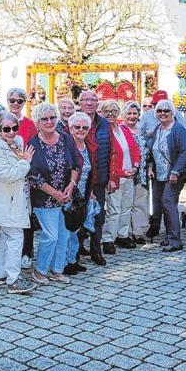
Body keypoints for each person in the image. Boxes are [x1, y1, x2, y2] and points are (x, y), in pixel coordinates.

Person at [0, 111, 37, 295]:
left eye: (14, 128)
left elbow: (16, 168)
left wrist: (21, 161)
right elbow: (8, 174)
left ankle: (0, 274)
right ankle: (13, 280)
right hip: (3, 200)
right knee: (15, 236)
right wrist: (25, 163)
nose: (11, 132)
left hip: (14, 198)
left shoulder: (17, 142)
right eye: (6, 129)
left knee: (5, 235)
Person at [27, 102, 80, 284]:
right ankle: (39, 271)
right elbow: (33, 176)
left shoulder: (66, 138)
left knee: (63, 235)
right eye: (44, 119)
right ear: (37, 122)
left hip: (65, 196)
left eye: (52, 118)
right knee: (50, 235)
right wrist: (55, 193)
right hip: (44, 199)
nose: (49, 122)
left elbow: (75, 165)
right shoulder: (33, 144)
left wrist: (71, 185)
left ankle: (57, 270)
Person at [0, 87, 37, 269]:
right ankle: (8, 271)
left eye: (19, 100)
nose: (15, 103)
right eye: (12, 100)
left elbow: (33, 150)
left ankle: (26, 252)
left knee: (26, 217)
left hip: (25, 176)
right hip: (7, 178)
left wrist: (26, 165)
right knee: (9, 226)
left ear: (24, 103)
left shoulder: (30, 124)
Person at [146, 99, 186, 252]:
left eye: (166, 110)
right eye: (159, 110)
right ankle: (169, 236)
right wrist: (151, 165)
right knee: (161, 205)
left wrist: (175, 171)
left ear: (173, 112)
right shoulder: (158, 128)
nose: (163, 113)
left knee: (168, 203)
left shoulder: (178, 129)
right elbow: (153, 150)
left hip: (175, 173)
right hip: (159, 173)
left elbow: (184, 153)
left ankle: (175, 241)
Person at [100, 100, 140, 253]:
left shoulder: (123, 129)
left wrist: (135, 166)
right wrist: (120, 173)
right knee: (114, 209)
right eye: (107, 111)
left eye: (113, 110)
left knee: (126, 207)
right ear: (102, 113)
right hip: (115, 177)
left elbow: (134, 149)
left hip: (129, 175)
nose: (110, 114)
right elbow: (106, 158)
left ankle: (122, 235)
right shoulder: (103, 131)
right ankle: (108, 238)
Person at [78, 90, 111, 265]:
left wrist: (112, 177)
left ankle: (96, 251)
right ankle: (76, 250)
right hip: (79, 179)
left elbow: (111, 150)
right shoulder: (74, 122)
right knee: (77, 214)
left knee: (98, 215)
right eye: (86, 100)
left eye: (93, 100)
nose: (89, 103)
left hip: (99, 177)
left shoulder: (104, 124)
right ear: (80, 103)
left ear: (97, 103)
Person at [65, 112, 94, 274]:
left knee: (76, 230)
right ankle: (63, 262)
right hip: (68, 193)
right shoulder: (66, 146)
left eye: (85, 127)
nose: (81, 130)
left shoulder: (89, 147)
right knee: (66, 231)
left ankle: (72, 259)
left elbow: (91, 172)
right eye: (77, 127)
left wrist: (90, 192)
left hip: (82, 195)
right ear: (70, 128)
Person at [122, 101, 150, 245]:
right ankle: (125, 232)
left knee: (140, 203)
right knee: (126, 204)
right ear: (124, 115)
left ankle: (138, 232)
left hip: (142, 172)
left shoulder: (142, 130)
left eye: (135, 113)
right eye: (129, 113)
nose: (132, 116)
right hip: (127, 172)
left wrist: (149, 166)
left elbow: (148, 150)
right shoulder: (120, 130)